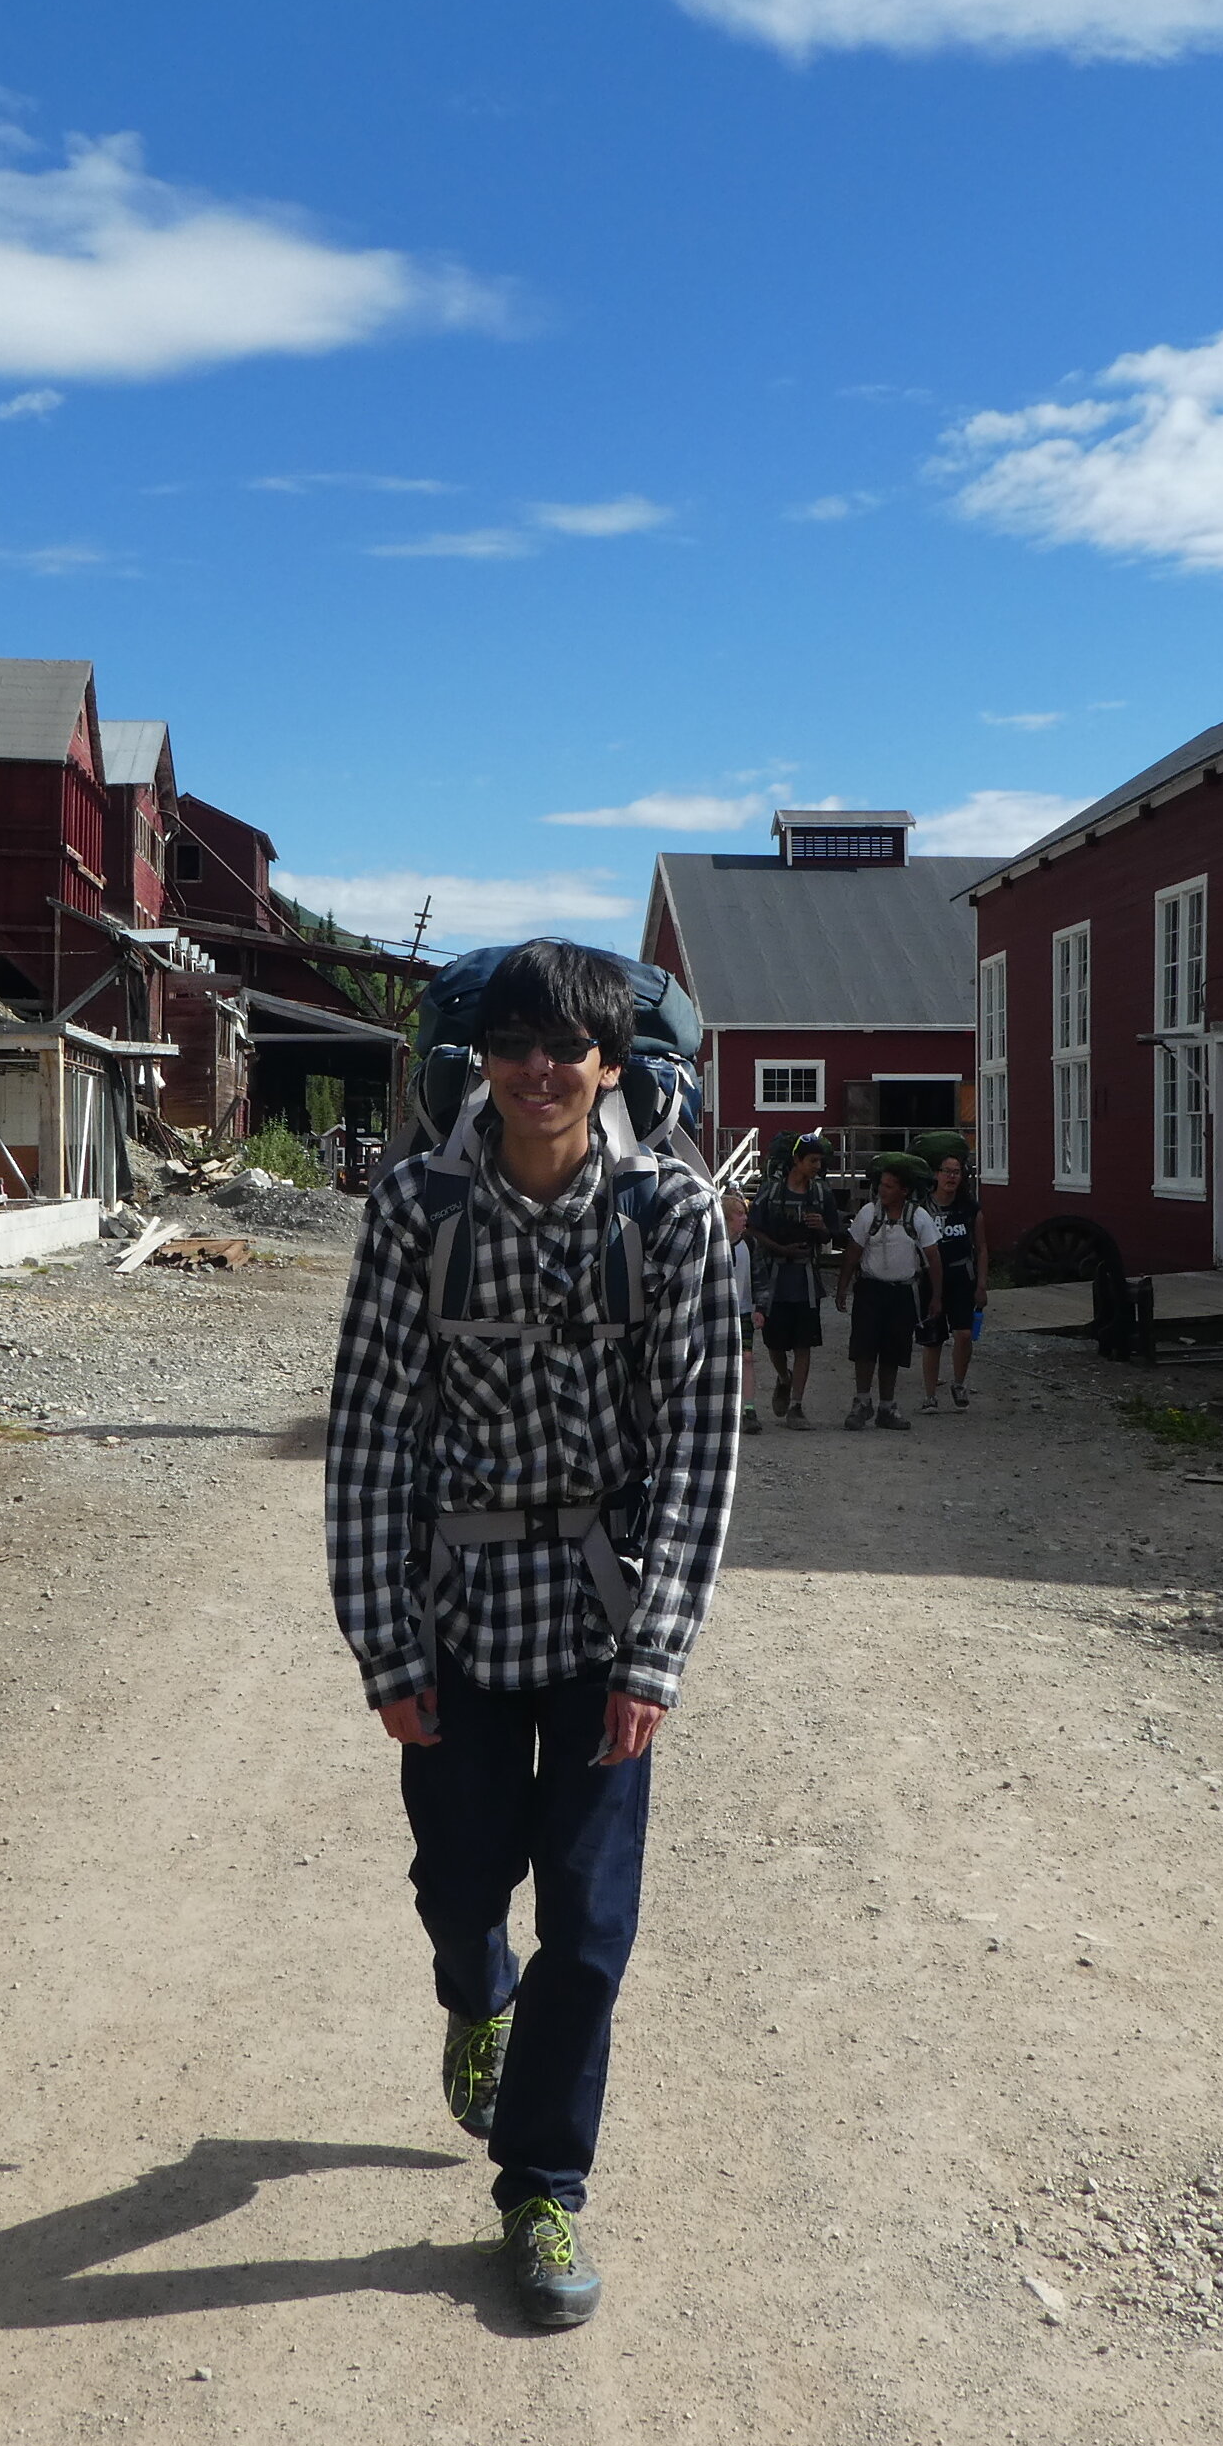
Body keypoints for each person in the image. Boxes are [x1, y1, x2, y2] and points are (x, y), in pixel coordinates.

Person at [323, 940, 742, 2331]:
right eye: (514, 1046)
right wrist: (384, 1646)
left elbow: (700, 1448)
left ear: (611, 1064)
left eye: (566, 1048)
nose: (540, 1070)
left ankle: (543, 2184)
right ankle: (471, 1987)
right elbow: (373, 1433)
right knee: (460, 1879)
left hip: (602, 1618)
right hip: (456, 1616)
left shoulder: (675, 1219)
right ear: (480, 1064)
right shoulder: (416, 1208)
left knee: (596, 1923)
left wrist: (657, 1656)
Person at [837, 1159, 940, 1430]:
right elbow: (852, 1253)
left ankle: (886, 1406)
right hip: (870, 1288)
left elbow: (933, 1258)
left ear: (904, 1190)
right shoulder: (868, 1214)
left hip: (903, 1291)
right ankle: (862, 1401)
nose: (883, 1190)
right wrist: (842, 1288)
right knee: (864, 1347)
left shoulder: (918, 1218)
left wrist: (937, 1296)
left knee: (893, 1351)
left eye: (889, 1186)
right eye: (881, 1185)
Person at [750, 1133, 835, 1427]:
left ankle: (796, 1406)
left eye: (819, 1161)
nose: (816, 1166)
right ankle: (783, 1377)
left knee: (804, 1344)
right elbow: (754, 1229)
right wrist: (780, 1248)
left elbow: (833, 1235)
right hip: (775, 1279)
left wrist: (822, 1227)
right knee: (774, 1342)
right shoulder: (770, 1191)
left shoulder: (822, 1194)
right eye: (812, 1160)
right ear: (796, 1160)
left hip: (806, 1280)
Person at [913, 1151, 987, 1412]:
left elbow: (981, 1247)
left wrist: (981, 1284)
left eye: (956, 1172)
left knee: (964, 1334)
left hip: (961, 1276)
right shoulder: (922, 1207)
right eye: (947, 1171)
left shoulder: (969, 1208)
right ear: (937, 1174)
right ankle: (930, 1395)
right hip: (930, 1278)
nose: (951, 1177)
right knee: (932, 1339)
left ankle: (958, 1383)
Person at [722, 1188, 765, 1437]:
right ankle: (724, 1409)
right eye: (739, 1214)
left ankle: (749, 1409)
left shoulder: (750, 1244)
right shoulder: (712, 1244)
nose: (744, 1219)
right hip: (720, 1314)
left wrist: (761, 1307)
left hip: (744, 1311)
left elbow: (759, 1278)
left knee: (746, 1358)